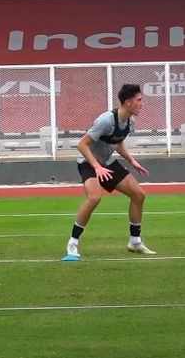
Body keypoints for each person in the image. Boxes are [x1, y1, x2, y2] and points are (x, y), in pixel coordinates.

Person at [65, 84, 156, 258]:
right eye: (139, 100)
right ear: (128, 102)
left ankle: (135, 242)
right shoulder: (105, 120)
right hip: (88, 162)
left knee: (139, 194)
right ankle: (72, 243)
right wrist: (97, 167)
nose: (142, 104)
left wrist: (131, 160)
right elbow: (82, 145)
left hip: (107, 163)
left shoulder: (130, 122)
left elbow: (118, 142)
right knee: (94, 198)